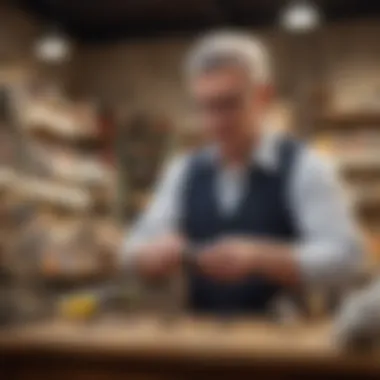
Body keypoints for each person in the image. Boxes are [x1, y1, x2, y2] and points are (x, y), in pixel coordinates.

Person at [123, 31, 362, 315]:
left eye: (228, 105)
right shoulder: (183, 172)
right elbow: (130, 251)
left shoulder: (306, 166)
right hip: (203, 343)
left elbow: (349, 259)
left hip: (288, 346)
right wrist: (149, 256)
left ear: (264, 97)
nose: (214, 123)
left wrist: (263, 258)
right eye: (205, 107)